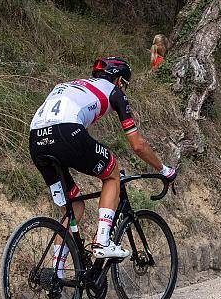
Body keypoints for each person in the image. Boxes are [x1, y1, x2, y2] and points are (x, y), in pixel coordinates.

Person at [29, 56, 177, 260]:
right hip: (66, 132)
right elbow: (138, 145)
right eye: (124, 84)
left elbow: (82, 136)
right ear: (118, 80)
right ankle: (102, 241)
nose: (123, 89)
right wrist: (164, 170)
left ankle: (57, 275)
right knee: (111, 174)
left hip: (36, 140)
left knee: (74, 208)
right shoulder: (114, 92)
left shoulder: (76, 86)